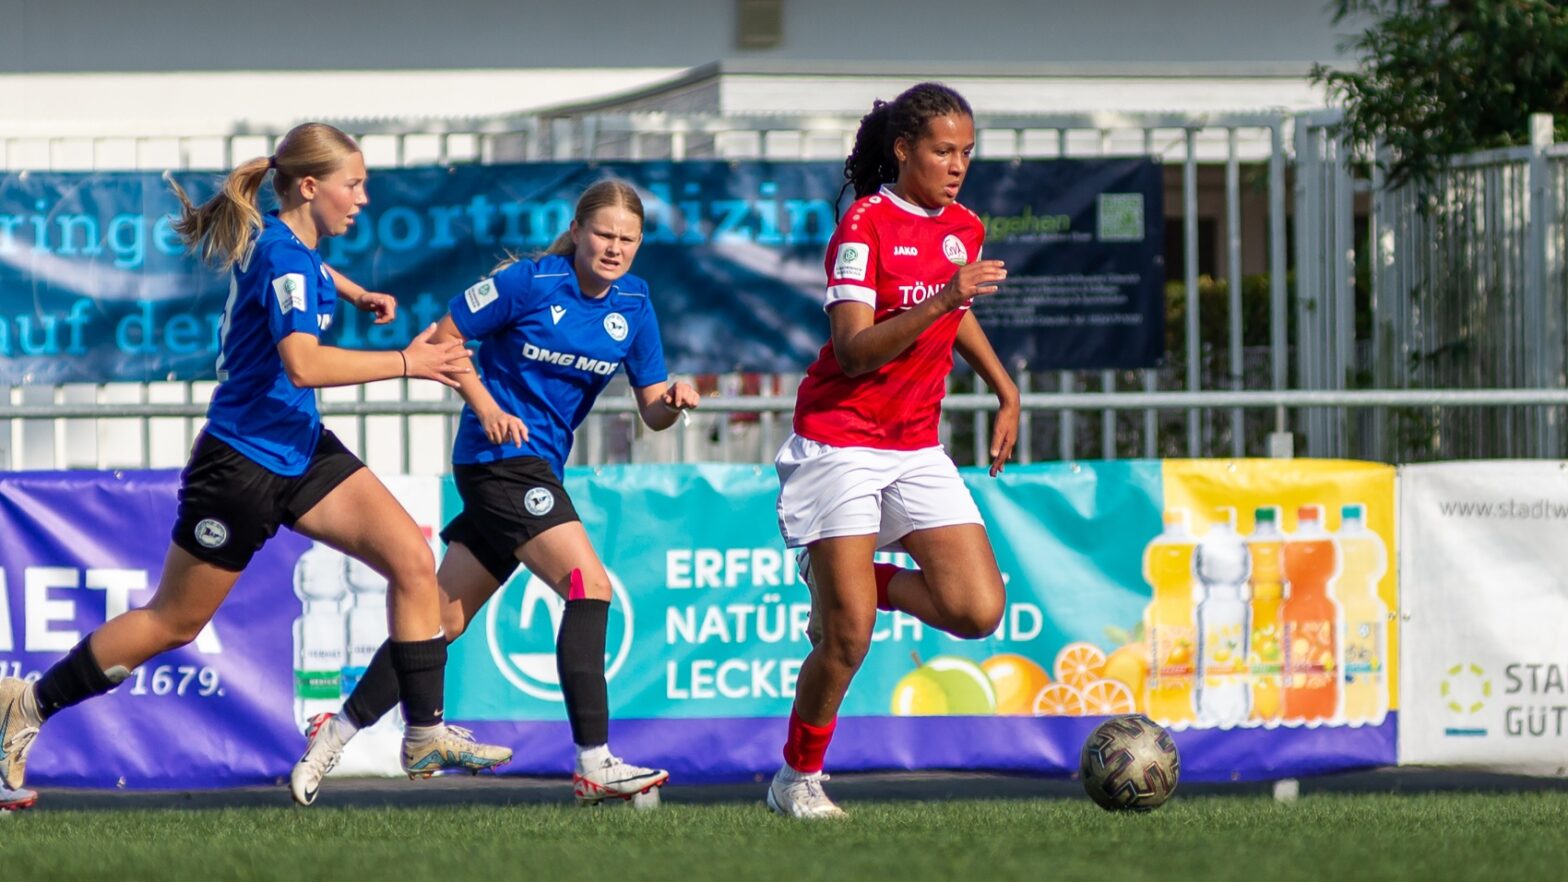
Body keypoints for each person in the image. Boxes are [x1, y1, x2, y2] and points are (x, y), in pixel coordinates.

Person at [0, 122, 512, 796]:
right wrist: (408, 363)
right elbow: (301, 364)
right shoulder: (283, 256)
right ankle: (25, 707)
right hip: (240, 465)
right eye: (352, 185)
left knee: (413, 561)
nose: (362, 199)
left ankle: (424, 735)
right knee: (174, 622)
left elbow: (302, 268)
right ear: (310, 186)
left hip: (299, 447)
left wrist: (352, 291)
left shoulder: (286, 241)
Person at [289, 179, 700, 806]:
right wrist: (484, 405)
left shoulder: (636, 305)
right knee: (589, 584)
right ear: (579, 231)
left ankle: (333, 732)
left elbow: (651, 410)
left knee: (440, 622)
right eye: (604, 234)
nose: (614, 248)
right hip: (497, 462)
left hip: (536, 470)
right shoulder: (529, 283)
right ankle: (595, 762)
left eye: (628, 239)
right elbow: (439, 341)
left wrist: (673, 400)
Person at [767, 83, 1020, 818]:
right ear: (904, 149)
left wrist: (1006, 389)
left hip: (914, 444)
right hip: (839, 440)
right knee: (847, 640)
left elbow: (957, 317)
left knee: (976, 610)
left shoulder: (964, 228)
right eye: (943, 150)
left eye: (967, 152)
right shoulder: (864, 226)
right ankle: (797, 780)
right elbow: (852, 350)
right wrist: (942, 296)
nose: (957, 164)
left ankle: (848, 580)